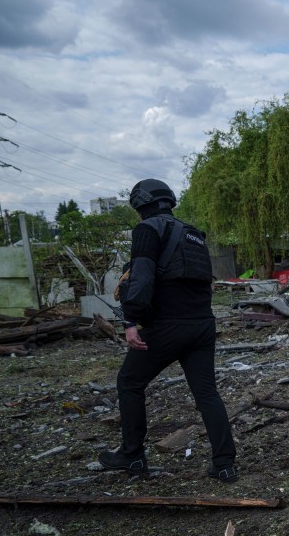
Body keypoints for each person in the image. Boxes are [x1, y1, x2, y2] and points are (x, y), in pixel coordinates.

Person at [99, 179, 239, 482]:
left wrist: (130, 321)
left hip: (167, 327)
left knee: (130, 382)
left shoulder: (148, 229)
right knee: (207, 394)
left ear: (140, 206)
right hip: (202, 325)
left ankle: (133, 456)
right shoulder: (194, 234)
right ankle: (225, 464)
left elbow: (142, 277)